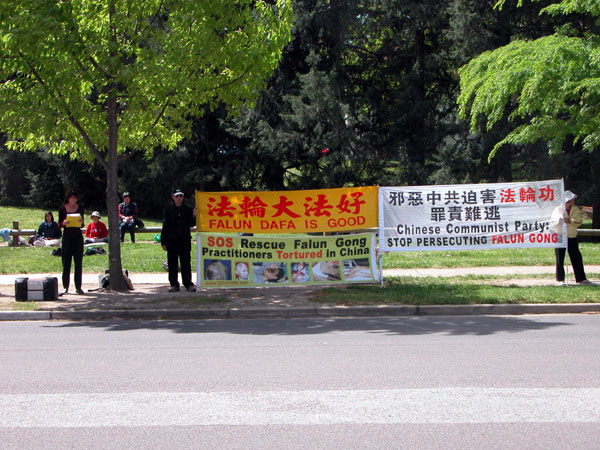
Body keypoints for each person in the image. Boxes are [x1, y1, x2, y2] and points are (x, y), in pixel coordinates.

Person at [551, 190, 595, 286]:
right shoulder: (558, 209)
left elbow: (579, 221)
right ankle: (560, 279)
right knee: (560, 258)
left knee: (576, 257)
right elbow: (553, 220)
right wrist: (561, 219)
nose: (574, 201)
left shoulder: (575, 209)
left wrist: (570, 221)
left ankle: (581, 279)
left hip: (571, 236)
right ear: (568, 200)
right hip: (560, 235)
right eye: (572, 199)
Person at [161, 189, 196, 292]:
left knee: (186, 263)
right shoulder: (168, 210)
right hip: (171, 241)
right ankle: (174, 285)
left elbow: (191, 224)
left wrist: (194, 215)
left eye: (181, 196)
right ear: (173, 197)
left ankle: (188, 284)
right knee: (172, 264)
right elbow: (165, 226)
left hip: (184, 240)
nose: (179, 198)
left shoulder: (188, 209)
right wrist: (163, 242)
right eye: (177, 196)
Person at [58, 189, 85, 295]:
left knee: (78, 262)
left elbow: (82, 224)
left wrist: (81, 222)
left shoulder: (80, 208)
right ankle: (65, 286)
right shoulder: (62, 209)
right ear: (68, 198)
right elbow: (59, 224)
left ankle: (78, 287)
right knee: (66, 262)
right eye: (72, 198)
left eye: (75, 198)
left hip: (77, 236)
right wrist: (63, 223)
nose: (74, 200)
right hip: (67, 236)